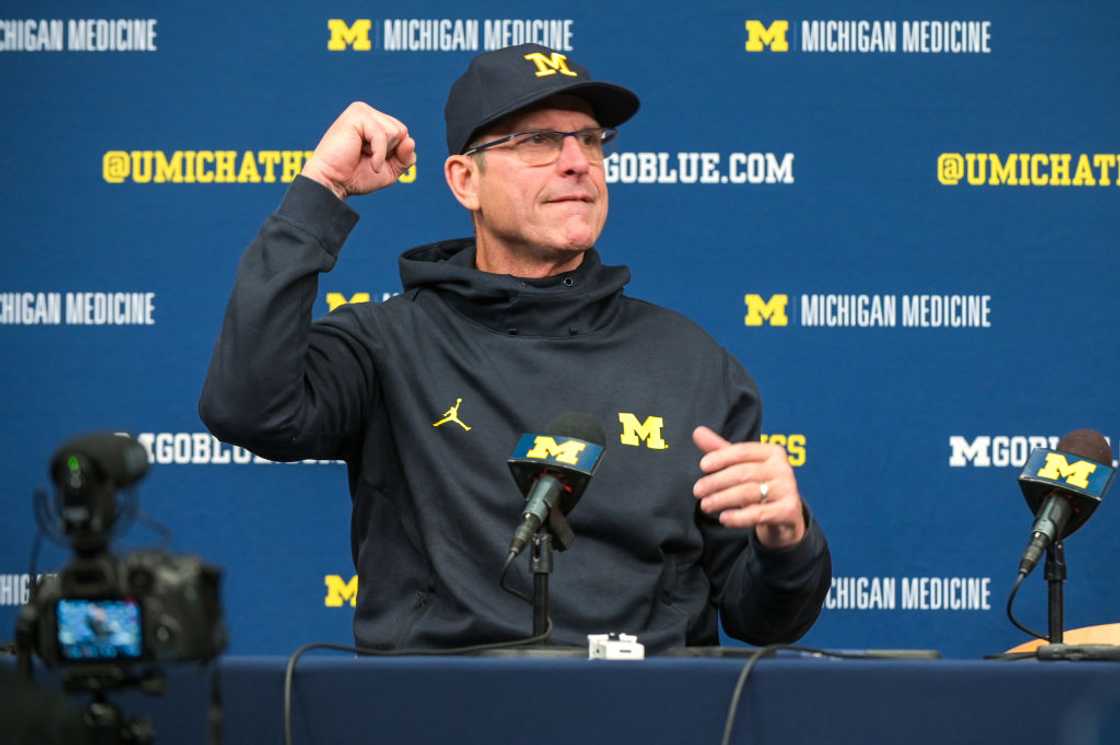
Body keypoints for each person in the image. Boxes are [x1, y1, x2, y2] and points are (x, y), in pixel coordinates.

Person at [199, 44, 830, 652]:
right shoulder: (388, 343)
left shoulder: (691, 361)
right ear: (464, 180)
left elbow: (763, 620)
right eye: (538, 141)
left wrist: (786, 542)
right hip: (435, 712)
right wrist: (322, 189)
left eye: (589, 139)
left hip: (649, 712)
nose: (577, 161)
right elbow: (249, 408)